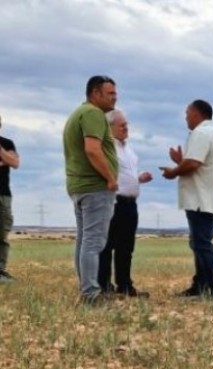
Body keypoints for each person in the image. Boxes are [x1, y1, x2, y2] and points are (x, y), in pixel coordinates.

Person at [160, 99, 213, 300]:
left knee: (202, 244)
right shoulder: (210, 133)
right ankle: (201, 285)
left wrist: (174, 171)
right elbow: (195, 164)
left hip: (202, 200)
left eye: (187, 113)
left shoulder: (201, 133)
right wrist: (181, 162)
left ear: (198, 114)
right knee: (199, 242)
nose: (186, 117)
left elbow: (193, 164)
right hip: (208, 199)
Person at [63, 75, 119, 305]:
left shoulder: (78, 113)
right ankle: (91, 294)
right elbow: (93, 150)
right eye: (110, 93)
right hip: (95, 187)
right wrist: (110, 178)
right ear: (95, 93)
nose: (115, 98)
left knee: (84, 241)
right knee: (93, 242)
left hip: (79, 186)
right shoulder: (93, 114)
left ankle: (86, 290)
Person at [98, 109, 153, 297]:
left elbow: (125, 175)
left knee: (126, 247)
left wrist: (139, 179)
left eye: (126, 124)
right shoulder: (107, 149)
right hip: (113, 202)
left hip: (130, 204)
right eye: (122, 125)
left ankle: (125, 286)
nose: (126, 128)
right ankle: (104, 286)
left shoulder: (128, 150)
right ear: (109, 127)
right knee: (107, 247)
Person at [0, 114, 21, 284]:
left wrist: (1, 152)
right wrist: (5, 160)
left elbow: (15, 163)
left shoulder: (7, 143)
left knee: (2, 233)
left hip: (4, 195)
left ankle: (0, 271)